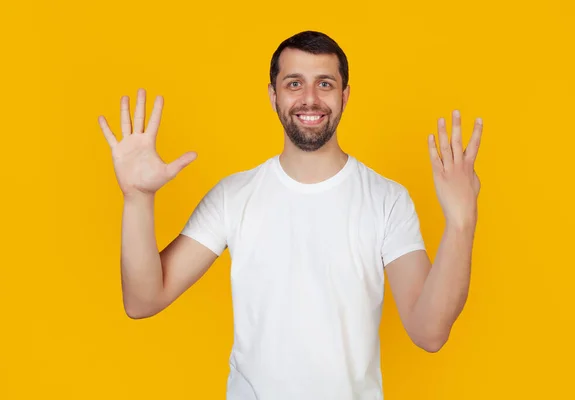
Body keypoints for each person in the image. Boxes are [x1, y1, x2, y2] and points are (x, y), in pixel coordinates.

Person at [98, 30, 482, 400]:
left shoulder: (387, 199)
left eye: (325, 84)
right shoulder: (234, 196)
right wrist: (137, 199)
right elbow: (143, 301)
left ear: (345, 96)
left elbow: (429, 333)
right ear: (273, 94)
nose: (310, 99)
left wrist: (461, 223)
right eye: (294, 83)